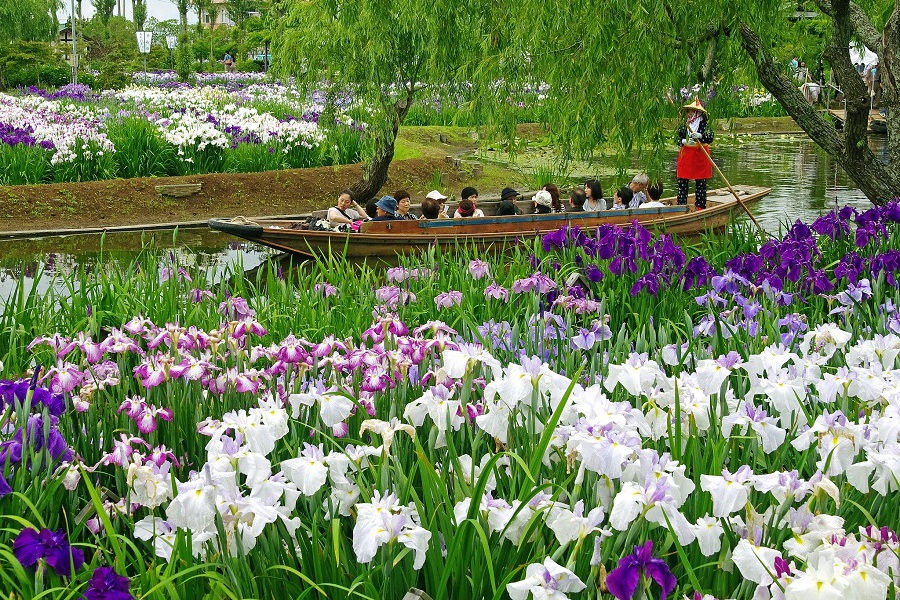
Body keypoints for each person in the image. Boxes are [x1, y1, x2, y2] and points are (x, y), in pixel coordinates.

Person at [675, 98, 714, 210]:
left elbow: (710, 137)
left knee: (701, 182)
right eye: (689, 111)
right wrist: (683, 141)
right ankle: (681, 206)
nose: (690, 113)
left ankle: (700, 206)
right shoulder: (684, 124)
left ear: (699, 112)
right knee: (682, 181)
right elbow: (677, 139)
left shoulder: (705, 123)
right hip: (686, 153)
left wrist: (701, 136)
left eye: (692, 111)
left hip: (700, 154)